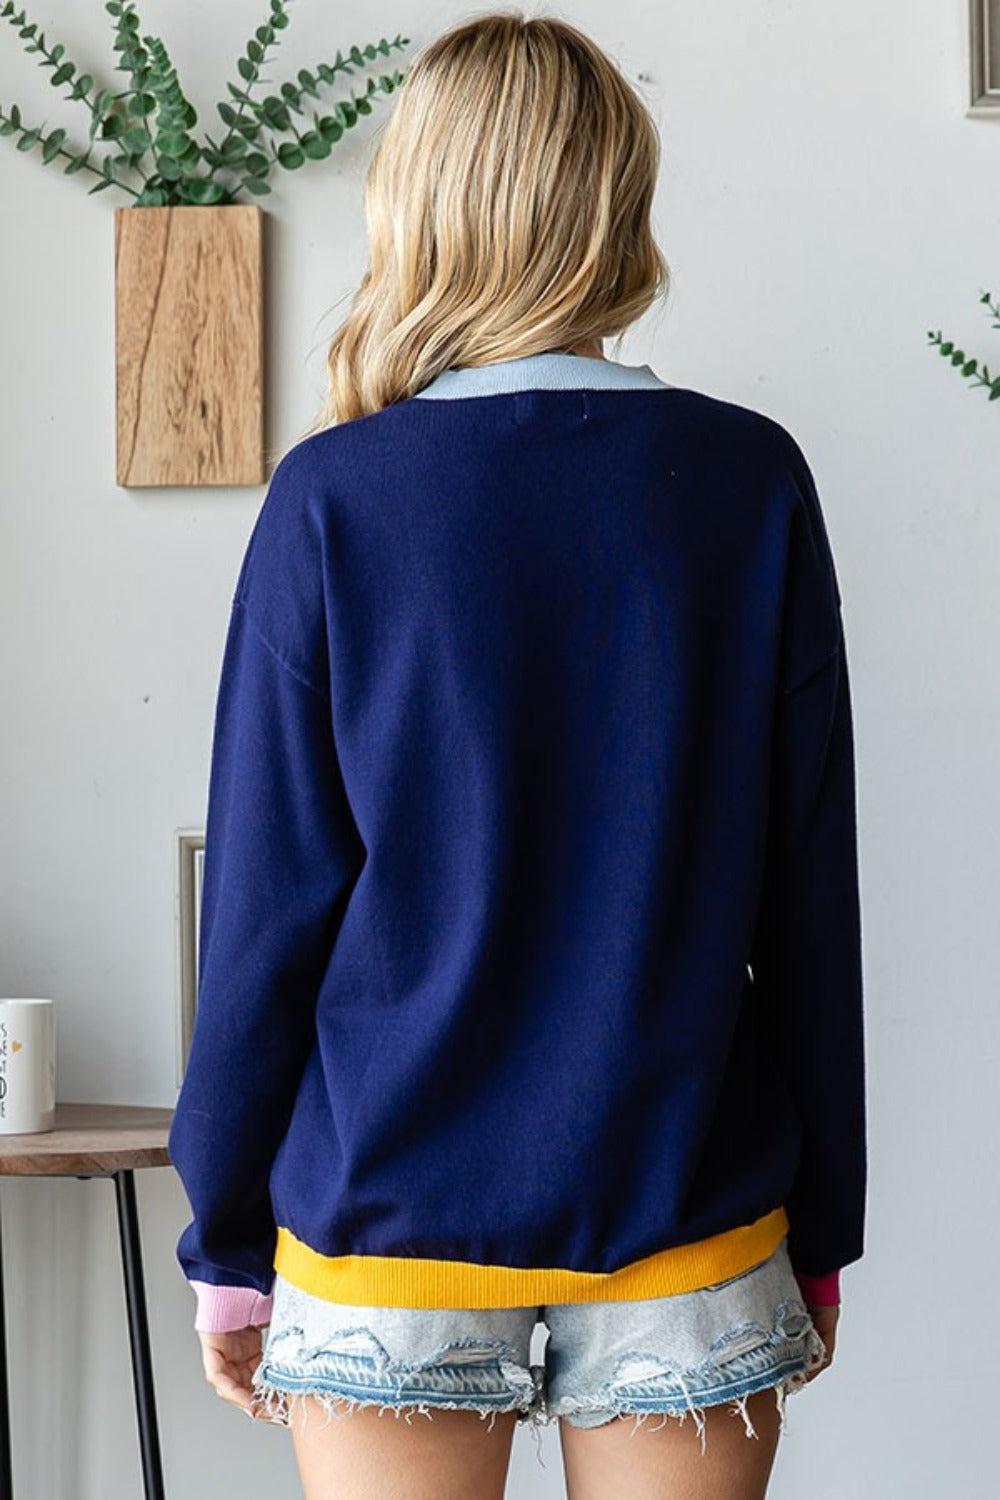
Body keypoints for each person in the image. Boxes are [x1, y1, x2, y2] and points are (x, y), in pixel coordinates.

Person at [167, 10, 866, 1499]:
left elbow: (266, 910)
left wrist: (227, 1239)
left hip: (387, 1216)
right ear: (618, 202)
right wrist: (827, 1225)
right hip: (693, 1200)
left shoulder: (334, 502)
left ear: (414, 204)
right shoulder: (749, 484)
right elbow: (811, 893)